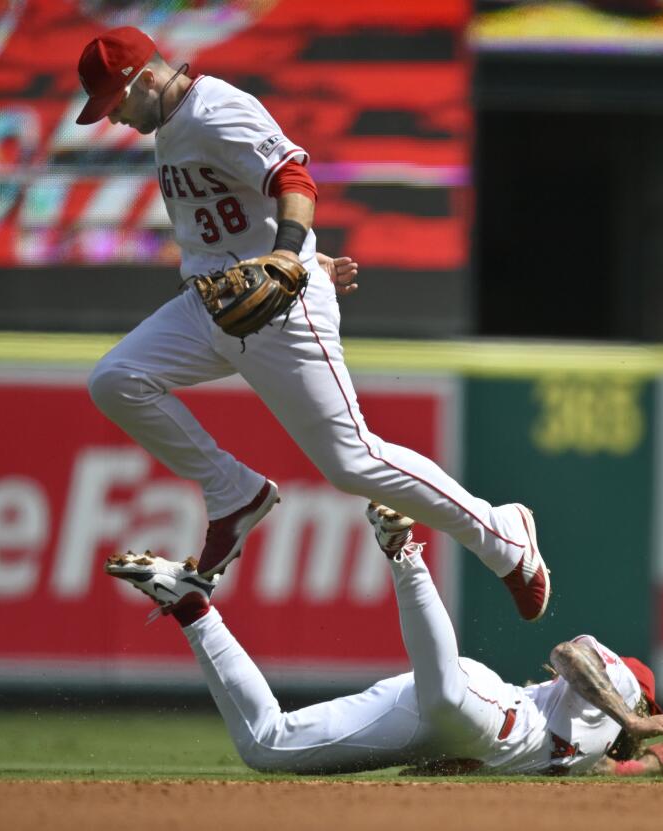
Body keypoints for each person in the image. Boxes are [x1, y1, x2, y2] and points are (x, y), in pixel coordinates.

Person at [75, 26, 549, 621]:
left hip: (279, 307)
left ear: (144, 78)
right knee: (116, 380)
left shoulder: (216, 109)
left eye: (114, 103)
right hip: (213, 302)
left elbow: (293, 179)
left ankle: (502, 534)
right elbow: (238, 210)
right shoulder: (170, 121)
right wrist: (297, 251)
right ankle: (233, 491)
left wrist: (292, 253)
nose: (113, 118)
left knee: (353, 461)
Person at [104, 504, 663, 777]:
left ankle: (191, 607)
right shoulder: (622, 694)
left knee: (266, 747)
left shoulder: (590, 754)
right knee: (446, 694)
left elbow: (606, 769)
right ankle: (404, 553)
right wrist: (634, 719)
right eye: (646, 712)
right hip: (481, 705)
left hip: (436, 730)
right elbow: (570, 655)